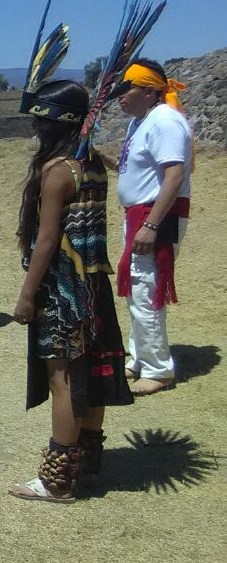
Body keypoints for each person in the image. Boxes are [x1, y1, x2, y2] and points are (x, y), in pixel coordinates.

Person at [10, 80, 133, 501]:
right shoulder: (93, 163)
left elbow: (46, 241)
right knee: (91, 375)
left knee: (62, 379)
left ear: (52, 123)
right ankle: (89, 466)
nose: (35, 130)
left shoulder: (58, 170)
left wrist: (27, 295)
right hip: (94, 284)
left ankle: (58, 479)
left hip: (63, 289)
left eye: (39, 121)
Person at [106, 60, 193, 396]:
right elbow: (138, 171)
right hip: (139, 215)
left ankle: (158, 369)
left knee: (146, 288)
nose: (120, 98)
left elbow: (174, 176)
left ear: (149, 90)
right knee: (137, 289)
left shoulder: (165, 121)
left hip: (155, 216)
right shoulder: (139, 123)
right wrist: (104, 160)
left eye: (126, 90)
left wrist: (152, 224)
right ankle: (140, 358)